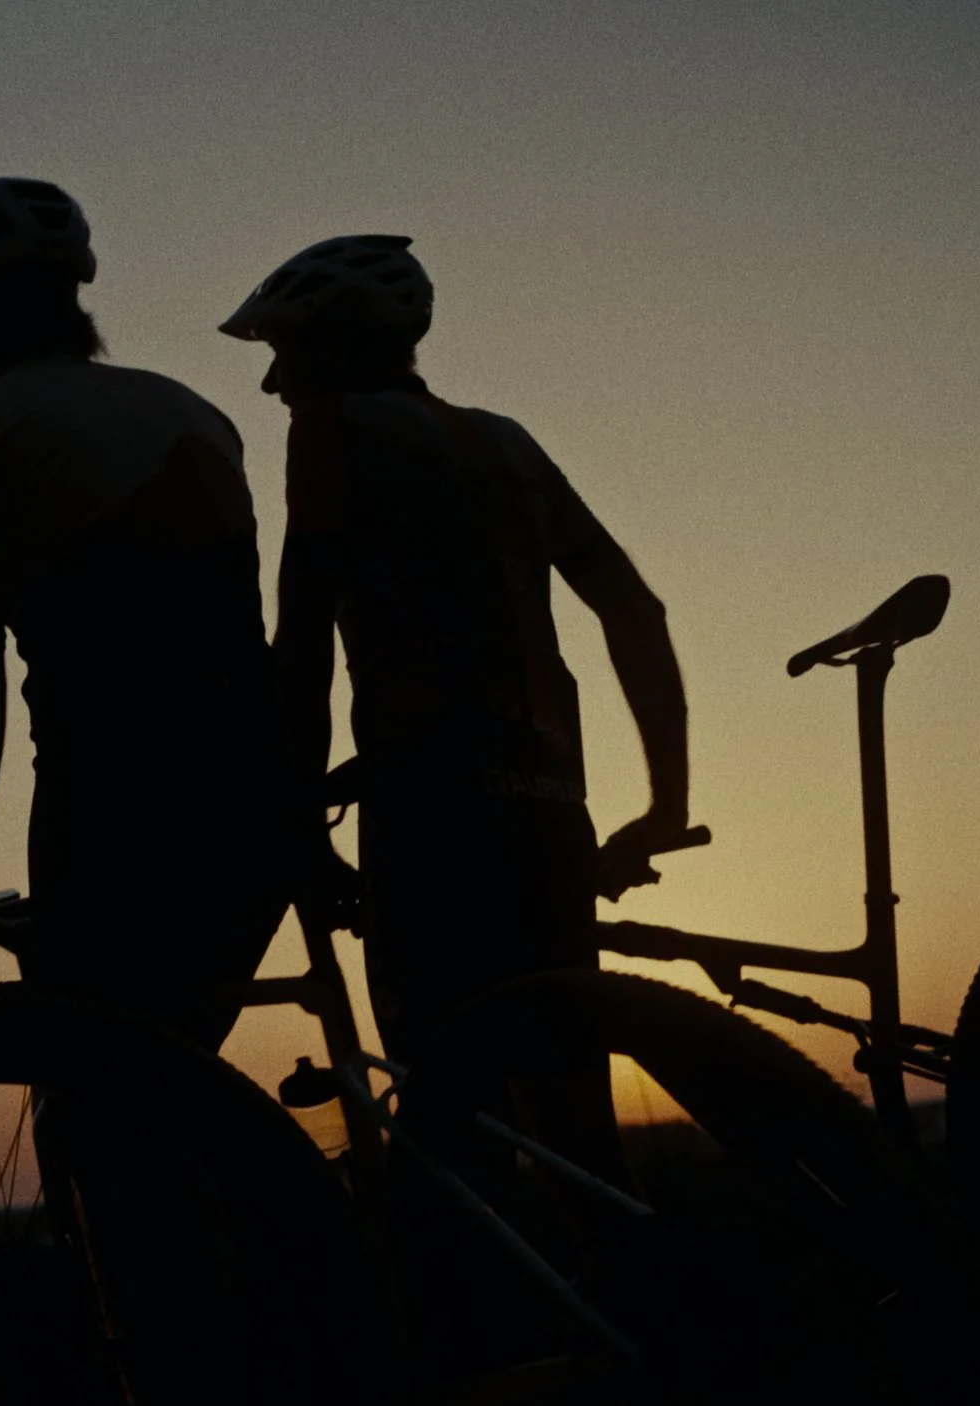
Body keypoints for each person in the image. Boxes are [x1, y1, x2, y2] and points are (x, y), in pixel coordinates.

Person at [219, 231, 691, 1077]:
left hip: (430, 813)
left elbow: (301, 642)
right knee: (573, 1120)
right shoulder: (509, 444)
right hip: (549, 803)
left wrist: (297, 825)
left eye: (283, 350)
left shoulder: (332, 427)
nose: (270, 381)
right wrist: (666, 801)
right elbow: (635, 608)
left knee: (448, 1122)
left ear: (332, 343)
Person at [0, 177, 286, 1049]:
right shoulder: (196, 410)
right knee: (180, 1082)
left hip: (114, 790)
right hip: (260, 791)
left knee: (106, 1095)